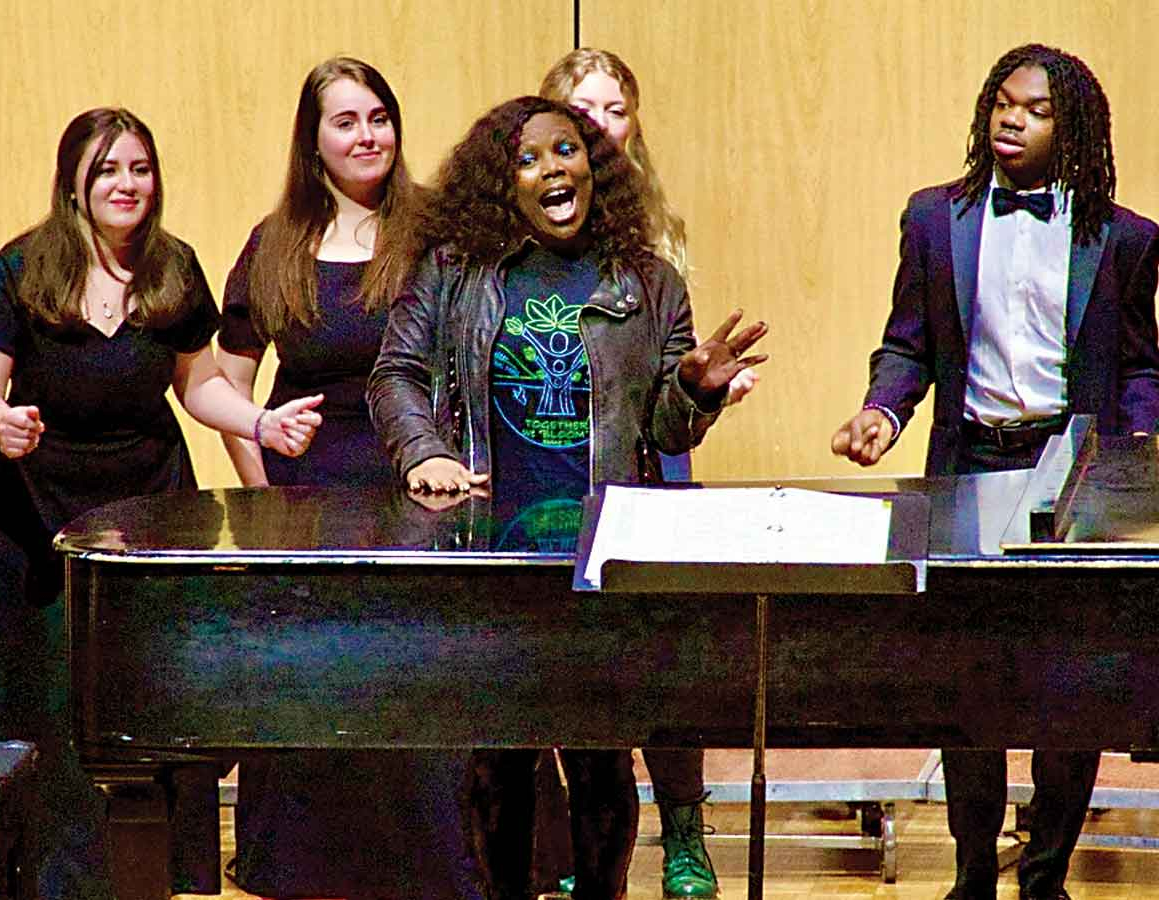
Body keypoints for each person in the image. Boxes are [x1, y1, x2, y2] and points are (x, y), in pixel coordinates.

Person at [368, 95, 767, 900]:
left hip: (599, 553)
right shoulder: (452, 272)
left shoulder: (650, 284)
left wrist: (693, 388)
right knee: (501, 762)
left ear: (594, 166)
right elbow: (396, 375)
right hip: (490, 554)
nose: (553, 169)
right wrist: (425, 452)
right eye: (528, 159)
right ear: (499, 183)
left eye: (567, 151)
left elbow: (666, 430)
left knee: (599, 758)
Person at [0, 107, 321, 900]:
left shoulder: (173, 268)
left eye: (140, 169)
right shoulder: (19, 269)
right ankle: (41, 876)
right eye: (108, 171)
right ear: (75, 186)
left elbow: (199, 386)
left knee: (144, 697)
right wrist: (4, 424)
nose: (127, 185)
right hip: (36, 513)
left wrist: (260, 420)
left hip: (145, 510)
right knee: (43, 695)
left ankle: (151, 872)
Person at [830, 44, 1159, 900]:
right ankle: (973, 875)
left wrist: (1143, 449)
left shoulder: (1124, 240)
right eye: (1002, 103)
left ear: (1073, 127)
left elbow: (1139, 367)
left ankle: (1044, 878)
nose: (1010, 119)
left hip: (1072, 477)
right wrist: (882, 411)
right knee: (966, 684)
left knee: (1073, 690)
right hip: (968, 465)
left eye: (1036, 110)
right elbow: (907, 344)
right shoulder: (935, 219)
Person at [216, 57, 482, 899]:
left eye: (378, 117)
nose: (366, 136)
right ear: (314, 140)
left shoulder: (439, 231)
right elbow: (221, 380)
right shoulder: (276, 243)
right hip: (310, 506)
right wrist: (261, 455)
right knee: (310, 685)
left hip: (421, 494)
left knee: (418, 691)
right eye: (345, 121)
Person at [539, 47, 727, 899]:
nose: (599, 122)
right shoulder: (525, 224)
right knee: (578, 667)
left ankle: (685, 829)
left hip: (654, 456)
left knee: (666, 660)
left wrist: (700, 386)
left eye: (615, 107)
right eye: (582, 106)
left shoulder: (658, 228)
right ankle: (588, 841)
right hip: (562, 462)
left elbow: (671, 363)